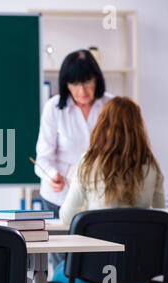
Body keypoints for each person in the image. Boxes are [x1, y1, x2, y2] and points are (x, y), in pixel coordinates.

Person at [51, 96, 165, 283]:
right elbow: (160, 214)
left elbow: (66, 217)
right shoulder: (151, 166)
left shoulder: (88, 163)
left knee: (56, 272)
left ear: (102, 125)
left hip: (92, 276)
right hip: (137, 278)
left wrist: (89, 211)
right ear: (138, 127)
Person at [34, 49, 113, 268]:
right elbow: (43, 156)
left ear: (97, 79)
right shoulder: (54, 108)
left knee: (96, 263)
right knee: (64, 264)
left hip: (100, 199)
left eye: (87, 82)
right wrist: (52, 175)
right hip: (61, 197)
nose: (82, 90)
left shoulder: (111, 106)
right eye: (74, 84)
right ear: (66, 84)